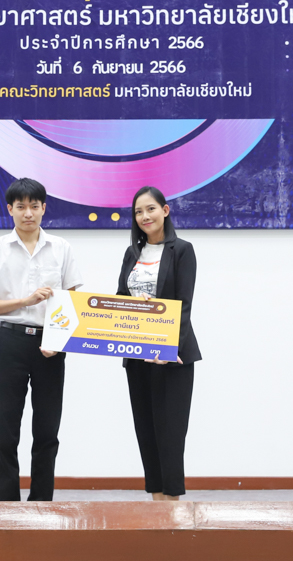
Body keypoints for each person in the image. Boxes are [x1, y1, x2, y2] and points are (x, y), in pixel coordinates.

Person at [0, 178, 83, 501]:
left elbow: (73, 304)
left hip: (51, 347)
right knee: (6, 430)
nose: (28, 213)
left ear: (44, 208)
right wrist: (25, 301)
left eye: (34, 206)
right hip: (11, 343)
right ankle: (7, 504)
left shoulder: (62, 249)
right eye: (21, 207)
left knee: (47, 431)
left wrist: (59, 342)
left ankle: (41, 503)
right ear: (10, 209)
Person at [115, 185, 201, 501]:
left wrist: (169, 348)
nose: (144, 216)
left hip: (172, 357)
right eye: (138, 212)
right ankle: (156, 504)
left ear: (165, 211)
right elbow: (120, 299)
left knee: (170, 433)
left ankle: (173, 506)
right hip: (137, 355)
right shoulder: (132, 254)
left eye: (150, 209)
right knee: (146, 431)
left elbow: (184, 304)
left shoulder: (182, 250)